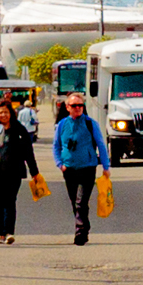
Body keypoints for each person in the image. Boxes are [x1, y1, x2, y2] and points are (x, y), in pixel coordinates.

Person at [51, 92, 107, 244]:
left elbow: (101, 144)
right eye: (74, 106)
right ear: (67, 107)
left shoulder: (90, 123)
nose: (77, 108)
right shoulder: (62, 125)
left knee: (81, 201)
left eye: (80, 105)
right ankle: (84, 224)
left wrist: (106, 166)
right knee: (74, 201)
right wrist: (60, 164)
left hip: (87, 167)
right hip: (69, 169)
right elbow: (56, 146)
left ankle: (80, 232)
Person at [0, 90, 39, 244]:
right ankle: (1, 234)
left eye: (6, 112)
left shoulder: (19, 129)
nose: (3, 115)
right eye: (0, 112)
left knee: (10, 202)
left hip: (14, 172)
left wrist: (34, 172)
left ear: (11, 113)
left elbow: (28, 152)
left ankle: (10, 232)